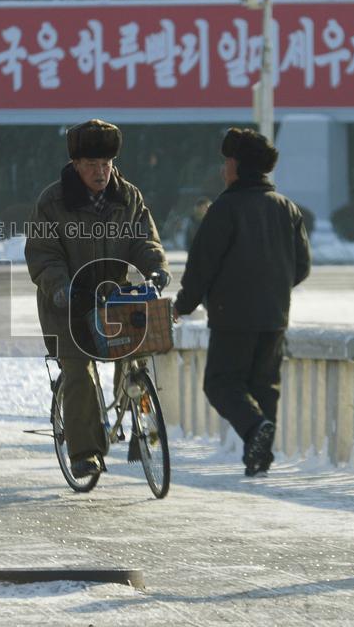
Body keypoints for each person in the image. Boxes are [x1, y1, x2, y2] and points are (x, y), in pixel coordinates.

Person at [25, 119, 170, 479]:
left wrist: (156, 268)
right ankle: (85, 451)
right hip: (66, 306)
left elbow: (144, 240)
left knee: (137, 350)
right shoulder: (52, 202)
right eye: (91, 164)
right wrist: (62, 288)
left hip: (112, 299)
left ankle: (138, 423)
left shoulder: (128, 197)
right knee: (78, 370)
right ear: (76, 164)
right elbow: (44, 255)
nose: (100, 171)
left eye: (105, 163)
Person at [174, 128, 311, 476]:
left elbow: (202, 265)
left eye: (227, 162)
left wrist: (183, 305)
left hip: (231, 315)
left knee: (220, 383)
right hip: (275, 316)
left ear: (239, 166)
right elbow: (302, 266)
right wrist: (274, 290)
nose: (223, 170)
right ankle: (259, 456)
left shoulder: (226, 208)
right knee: (264, 387)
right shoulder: (287, 208)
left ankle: (254, 428)